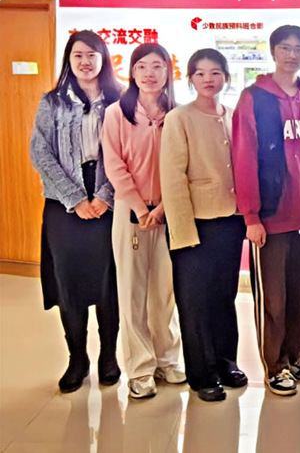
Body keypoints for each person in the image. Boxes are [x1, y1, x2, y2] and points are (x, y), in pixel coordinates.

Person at [232, 25, 300, 397]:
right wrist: (251, 216)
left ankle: (297, 355)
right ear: (273, 52)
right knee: (273, 298)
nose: (292, 54)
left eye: (299, 48)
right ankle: (275, 366)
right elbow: (244, 158)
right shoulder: (254, 98)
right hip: (271, 216)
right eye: (285, 47)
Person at [30, 30, 122, 393]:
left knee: (109, 282)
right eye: (78, 55)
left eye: (92, 55)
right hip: (62, 203)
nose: (85, 61)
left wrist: (105, 196)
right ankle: (77, 358)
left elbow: (127, 152)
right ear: (69, 59)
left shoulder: (119, 99)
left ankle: (109, 356)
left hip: (109, 197)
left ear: (103, 58)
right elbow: (40, 152)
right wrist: (74, 198)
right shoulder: (52, 101)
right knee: (69, 282)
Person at [161, 49, 248, 402]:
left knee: (224, 296)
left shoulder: (233, 116)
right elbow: (172, 178)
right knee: (195, 301)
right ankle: (202, 374)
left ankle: (227, 362)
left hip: (230, 220)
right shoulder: (179, 118)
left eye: (215, 72)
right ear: (190, 79)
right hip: (195, 223)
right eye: (200, 73)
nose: (208, 79)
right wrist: (183, 232)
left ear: (226, 76)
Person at [102, 42, 185, 399]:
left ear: (168, 72)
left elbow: (184, 165)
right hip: (130, 213)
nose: (150, 74)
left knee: (165, 292)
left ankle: (167, 359)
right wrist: (140, 208)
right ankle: (139, 368)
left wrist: (163, 208)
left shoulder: (177, 114)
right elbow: (114, 165)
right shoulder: (116, 113)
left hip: (171, 212)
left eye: (158, 66)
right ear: (132, 71)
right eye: (142, 66)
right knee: (132, 291)